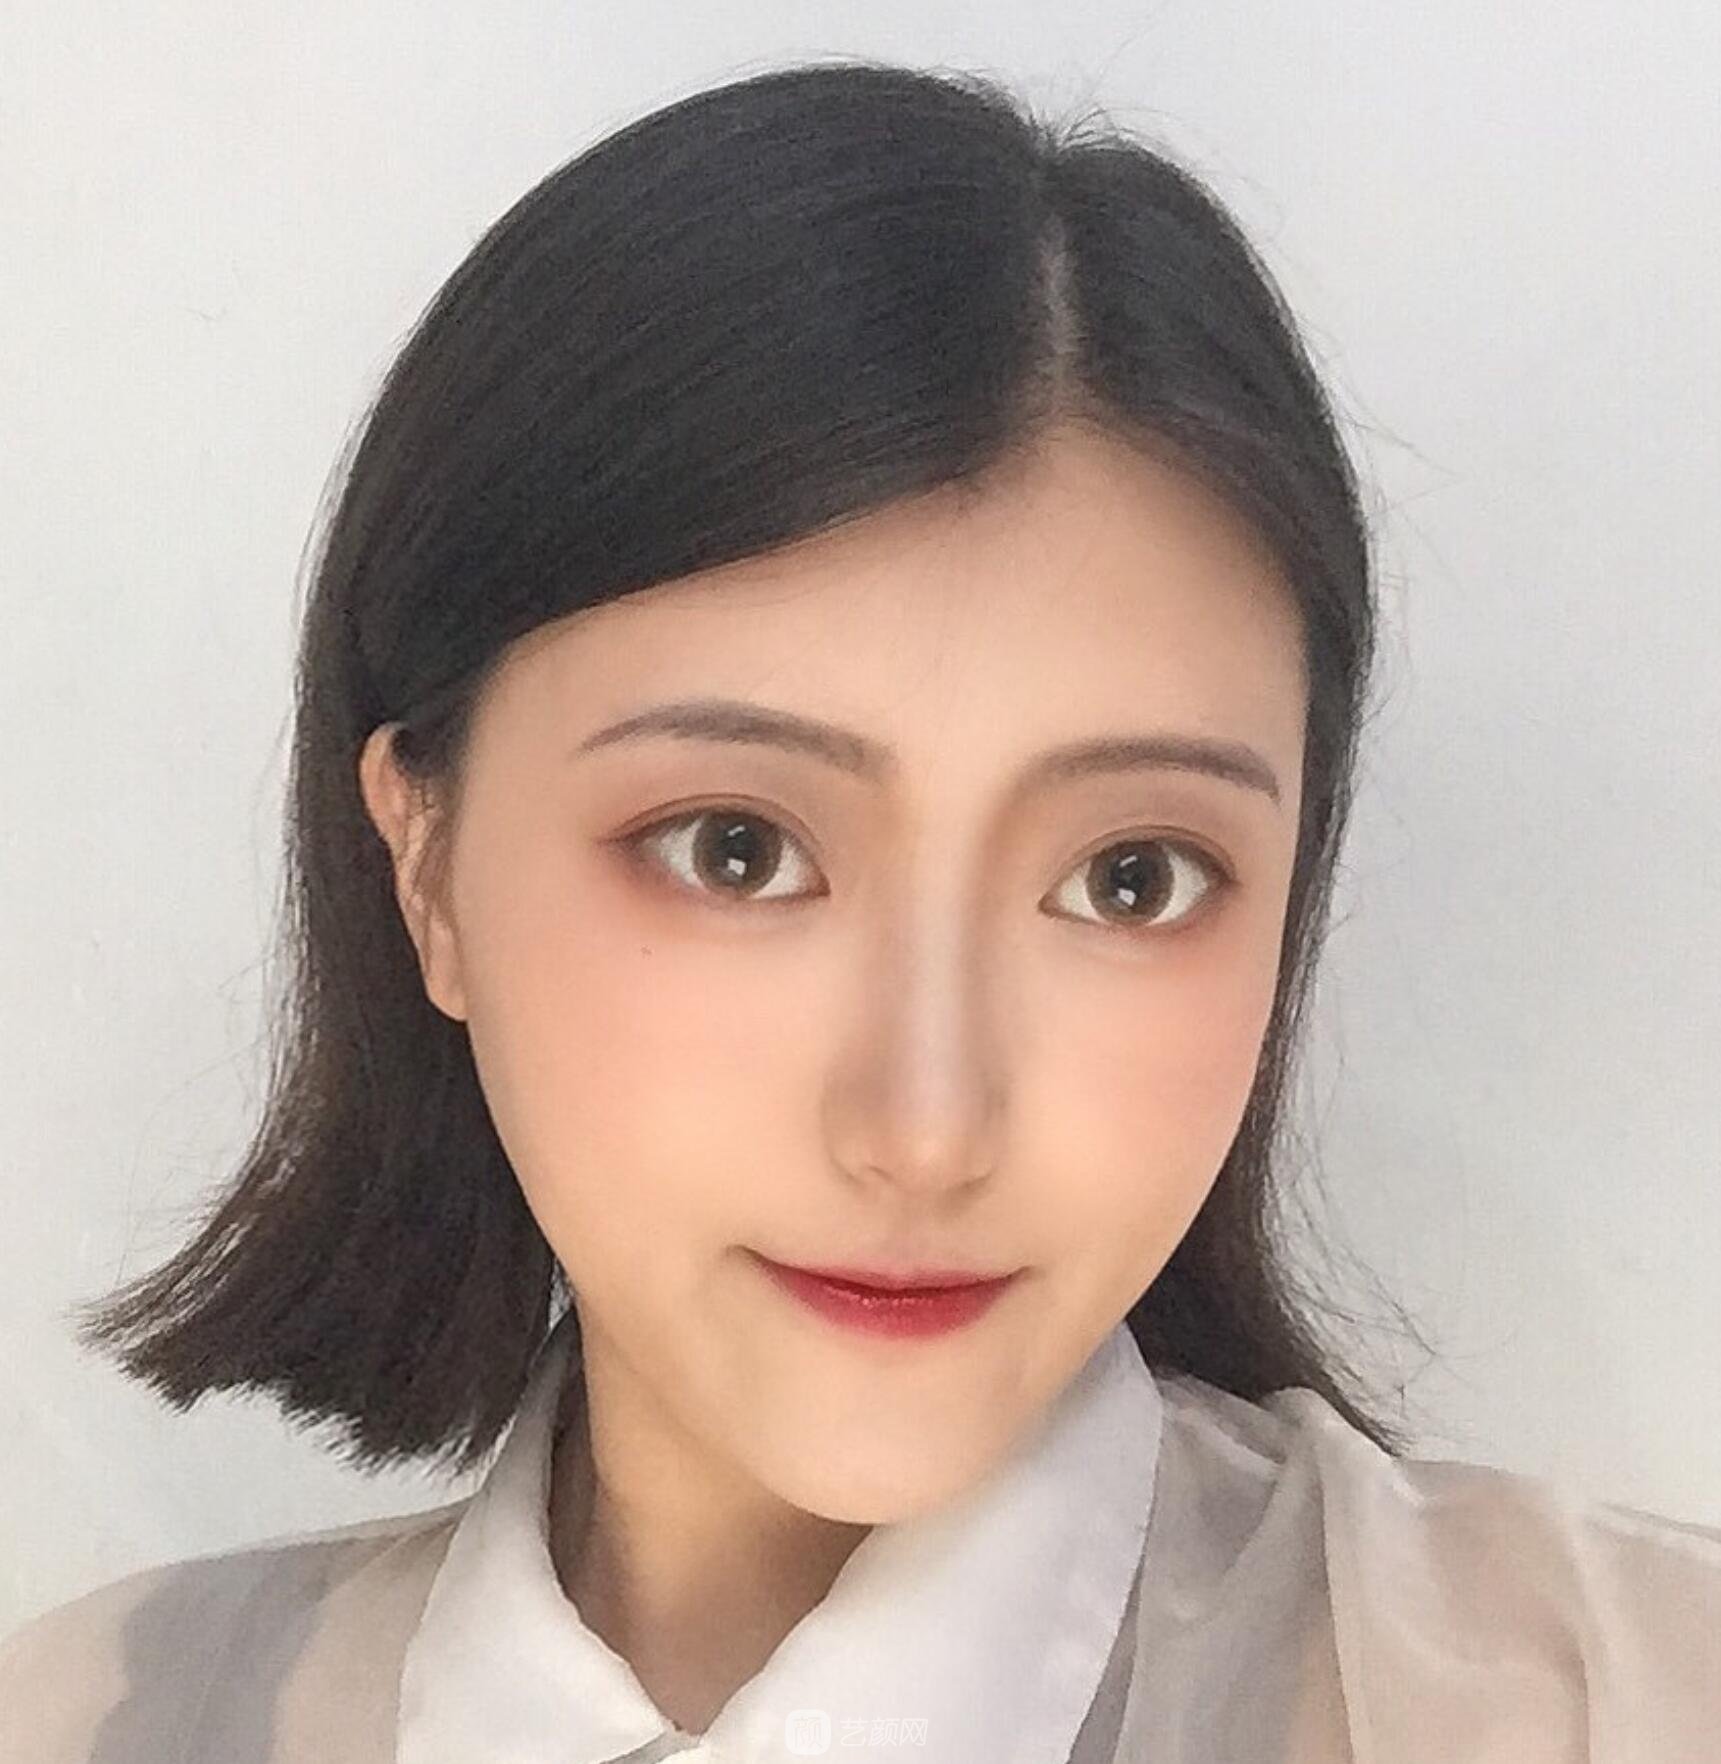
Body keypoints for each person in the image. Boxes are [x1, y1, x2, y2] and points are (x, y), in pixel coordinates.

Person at [3, 58, 1717, 1764]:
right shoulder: (92, 1719)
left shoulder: (1624, 1702)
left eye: (1129, 879)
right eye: (734, 849)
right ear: (426, 862)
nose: (924, 1128)